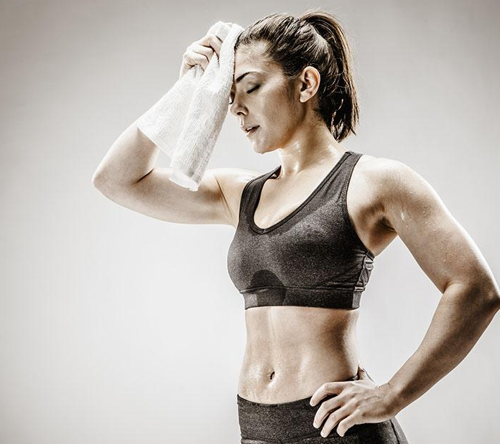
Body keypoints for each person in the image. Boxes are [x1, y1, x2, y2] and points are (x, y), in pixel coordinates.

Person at [92, 9, 500, 444]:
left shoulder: (374, 181)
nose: (236, 108)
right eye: (229, 96)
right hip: (257, 430)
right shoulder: (241, 193)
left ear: (306, 84)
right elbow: (116, 180)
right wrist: (187, 90)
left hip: (338, 431)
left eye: (251, 86)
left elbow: (475, 289)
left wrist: (392, 395)